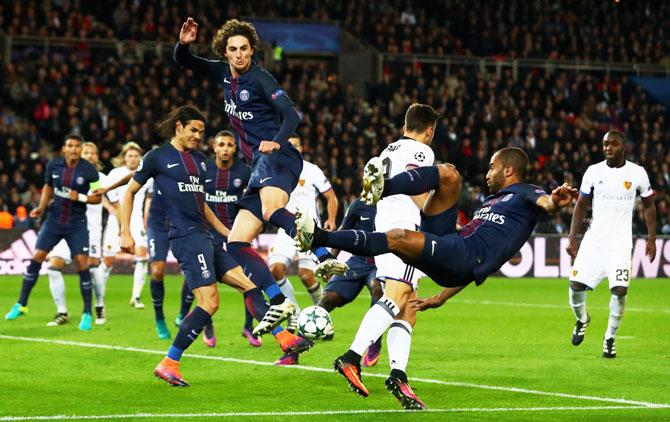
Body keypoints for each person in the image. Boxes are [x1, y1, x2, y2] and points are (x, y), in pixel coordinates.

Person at [295, 147, 577, 409]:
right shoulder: (491, 201)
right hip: (455, 248)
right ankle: (398, 376)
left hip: (461, 254)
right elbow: (474, 267)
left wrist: (556, 201)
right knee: (448, 177)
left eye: (492, 168)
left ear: (508, 171)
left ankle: (324, 235)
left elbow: (547, 203)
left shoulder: (526, 193)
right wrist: (441, 297)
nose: (486, 173)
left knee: (399, 238)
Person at [173, 18, 345, 328]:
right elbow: (184, 61)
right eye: (233, 49)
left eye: (244, 49)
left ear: (252, 50)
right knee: (237, 242)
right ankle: (278, 300)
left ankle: (323, 254)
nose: (239, 55)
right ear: (225, 52)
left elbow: (292, 115)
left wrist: (276, 142)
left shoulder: (262, 79)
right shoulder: (224, 74)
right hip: (259, 167)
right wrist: (184, 44)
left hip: (280, 158)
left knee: (271, 208)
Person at [120, 106, 306, 387]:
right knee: (210, 302)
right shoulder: (157, 157)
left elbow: (202, 205)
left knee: (250, 286)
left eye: (201, 132)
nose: (198, 136)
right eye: (193, 130)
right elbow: (129, 192)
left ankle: (284, 338)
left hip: (206, 237)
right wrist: (125, 231)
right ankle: (169, 362)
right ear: (179, 127)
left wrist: (228, 233)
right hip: (185, 238)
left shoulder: (200, 161)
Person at [565, 130, 656, 358]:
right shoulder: (593, 171)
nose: (608, 148)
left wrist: (652, 238)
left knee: (619, 290)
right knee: (575, 287)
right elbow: (582, 204)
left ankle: (610, 338)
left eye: (613, 144)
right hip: (594, 241)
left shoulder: (637, 173)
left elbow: (649, 206)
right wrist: (572, 236)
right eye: (605, 144)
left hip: (620, 244)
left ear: (623, 147)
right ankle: (582, 319)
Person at [5, 134, 101, 331]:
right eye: (70, 146)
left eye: (77, 146)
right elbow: (48, 187)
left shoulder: (90, 171)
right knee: (37, 257)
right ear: (63, 149)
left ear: (81, 149)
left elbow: (97, 198)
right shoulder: (54, 165)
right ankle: (21, 304)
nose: (74, 149)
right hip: (55, 220)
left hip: (77, 223)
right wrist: (41, 207)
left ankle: (87, 313)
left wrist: (80, 197)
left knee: (82, 264)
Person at [268, 134, 339, 323]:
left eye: (295, 146)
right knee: (275, 270)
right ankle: (295, 314)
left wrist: (331, 219)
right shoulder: (276, 169)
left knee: (306, 275)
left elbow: (331, 197)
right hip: (285, 228)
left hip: (309, 227)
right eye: (288, 145)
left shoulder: (312, 170)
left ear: (301, 149)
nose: (292, 149)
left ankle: (323, 317)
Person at [45, 142, 110, 326]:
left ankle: (99, 305)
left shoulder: (101, 179)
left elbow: (113, 203)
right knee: (53, 266)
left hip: (90, 230)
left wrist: (122, 228)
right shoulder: (69, 174)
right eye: (86, 152)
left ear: (97, 156)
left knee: (92, 266)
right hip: (66, 227)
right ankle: (62, 312)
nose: (89, 155)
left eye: (92, 153)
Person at [104, 142, 151, 309]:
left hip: (137, 221)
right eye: (130, 155)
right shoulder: (115, 174)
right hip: (116, 220)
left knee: (143, 257)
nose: (133, 158)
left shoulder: (145, 175)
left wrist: (145, 220)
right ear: (124, 157)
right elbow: (107, 196)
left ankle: (136, 297)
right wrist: (119, 221)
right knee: (108, 260)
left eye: (136, 156)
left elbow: (148, 198)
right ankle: (99, 296)